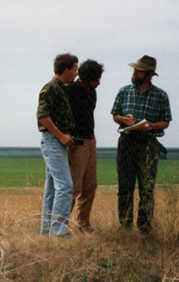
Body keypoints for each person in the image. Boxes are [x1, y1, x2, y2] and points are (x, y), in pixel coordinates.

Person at [110, 55, 172, 233]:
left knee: (146, 187)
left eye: (139, 70)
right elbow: (115, 115)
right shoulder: (124, 91)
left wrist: (150, 126)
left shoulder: (161, 95)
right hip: (126, 142)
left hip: (148, 144)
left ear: (149, 74)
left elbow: (166, 122)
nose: (135, 73)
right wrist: (123, 119)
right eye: (134, 69)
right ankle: (125, 226)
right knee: (125, 186)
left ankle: (144, 227)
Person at [37, 53, 78, 237]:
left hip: (55, 143)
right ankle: (59, 232)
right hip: (53, 142)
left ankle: (46, 231)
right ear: (67, 70)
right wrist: (61, 136)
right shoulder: (51, 88)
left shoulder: (60, 88)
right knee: (65, 186)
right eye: (75, 70)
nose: (76, 74)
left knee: (53, 188)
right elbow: (42, 116)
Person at [65, 59, 104, 232]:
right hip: (76, 143)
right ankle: (60, 226)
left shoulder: (92, 93)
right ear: (88, 78)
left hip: (90, 141)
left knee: (90, 185)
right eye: (97, 79)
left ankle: (83, 224)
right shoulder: (70, 91)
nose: (99, 83)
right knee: (73, 187)